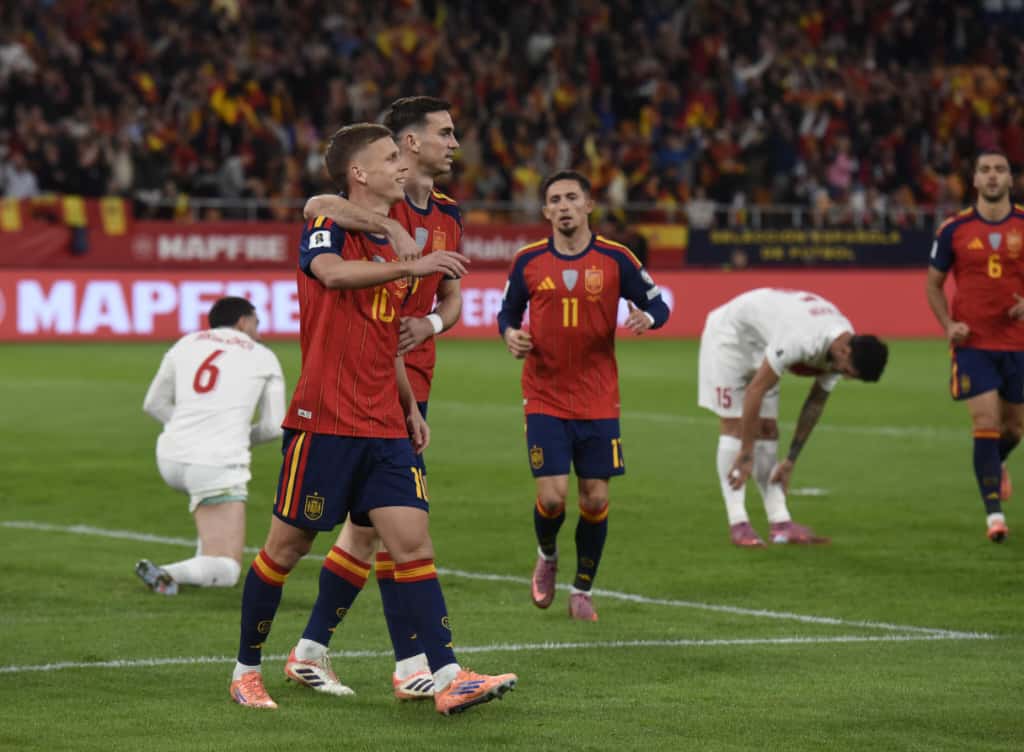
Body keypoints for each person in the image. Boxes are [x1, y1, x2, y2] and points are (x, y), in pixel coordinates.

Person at [229, 122, 516, 715]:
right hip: (324, 420)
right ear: (360, 174)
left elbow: (389, 342)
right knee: (286, 549)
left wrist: (410, 406)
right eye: (390, 158)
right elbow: (331, 274)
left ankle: (447, 676)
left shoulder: (399, 241)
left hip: (386, 422)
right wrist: (407, 266)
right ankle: (246, 669)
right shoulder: (328, 228)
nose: (402, 166)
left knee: (412, 544)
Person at [295, 96, 463, 701]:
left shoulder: (448, 215)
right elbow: (319, 204)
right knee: (393, 528)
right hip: (364, 375)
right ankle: (412, 664)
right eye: (444, 133)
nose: (455, 144)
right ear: (409, 144)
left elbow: (450, 297)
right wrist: (389, 227)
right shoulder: (365, 206)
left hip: (411, 379)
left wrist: (434, 327)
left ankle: (315, 650)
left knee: (371, 529)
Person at [497, 170, 670, 621]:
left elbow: (659, 303)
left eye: (572, 197)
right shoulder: (528, 261)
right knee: (553, 499)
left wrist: (648, 319)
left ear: (589, 205)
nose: (564, 206)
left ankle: (582, 589)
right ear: (546, 211)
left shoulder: (616, 258)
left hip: (597, 398)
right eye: (555, 199)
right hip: (544, 395)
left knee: (593, 499)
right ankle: (548, 555)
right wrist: (511, 335)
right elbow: (507, 312)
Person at [697, 288, 889, 547]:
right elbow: (756, 389)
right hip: (731, 338)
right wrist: (746, 452)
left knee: (768, 429)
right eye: (848, 372)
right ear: (845, 352)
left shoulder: (843, 345)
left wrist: (790, 460)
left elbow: (815, 403)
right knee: (734, 426)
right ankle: (738, 523)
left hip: (765, 342)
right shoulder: (801, 339)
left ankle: (780, 522)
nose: (844, 376)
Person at [137, 296, 285, 594]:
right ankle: (166, 574)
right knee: (228, 569)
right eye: (256, 323)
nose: (260, 332)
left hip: (169, 455)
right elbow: (273, 427)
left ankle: (190, 568)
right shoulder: (263, 356)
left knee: (212, 535)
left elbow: (153, 403)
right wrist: (238, 437)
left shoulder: (185, 344)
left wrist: (186, 429)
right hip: (216, 462)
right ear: (243, 321)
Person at [925, 149, 1024, 543]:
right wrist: (948, 324)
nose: (993, 176)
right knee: (985, 422)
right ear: (976, 181)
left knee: (1013, 428)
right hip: (974, 343)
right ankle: (994, 516)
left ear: (1010, 180)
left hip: (1017, 345)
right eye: (985, 170)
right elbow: (932, 283)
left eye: (1000, 169)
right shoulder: (954, 230)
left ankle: (994, 465)